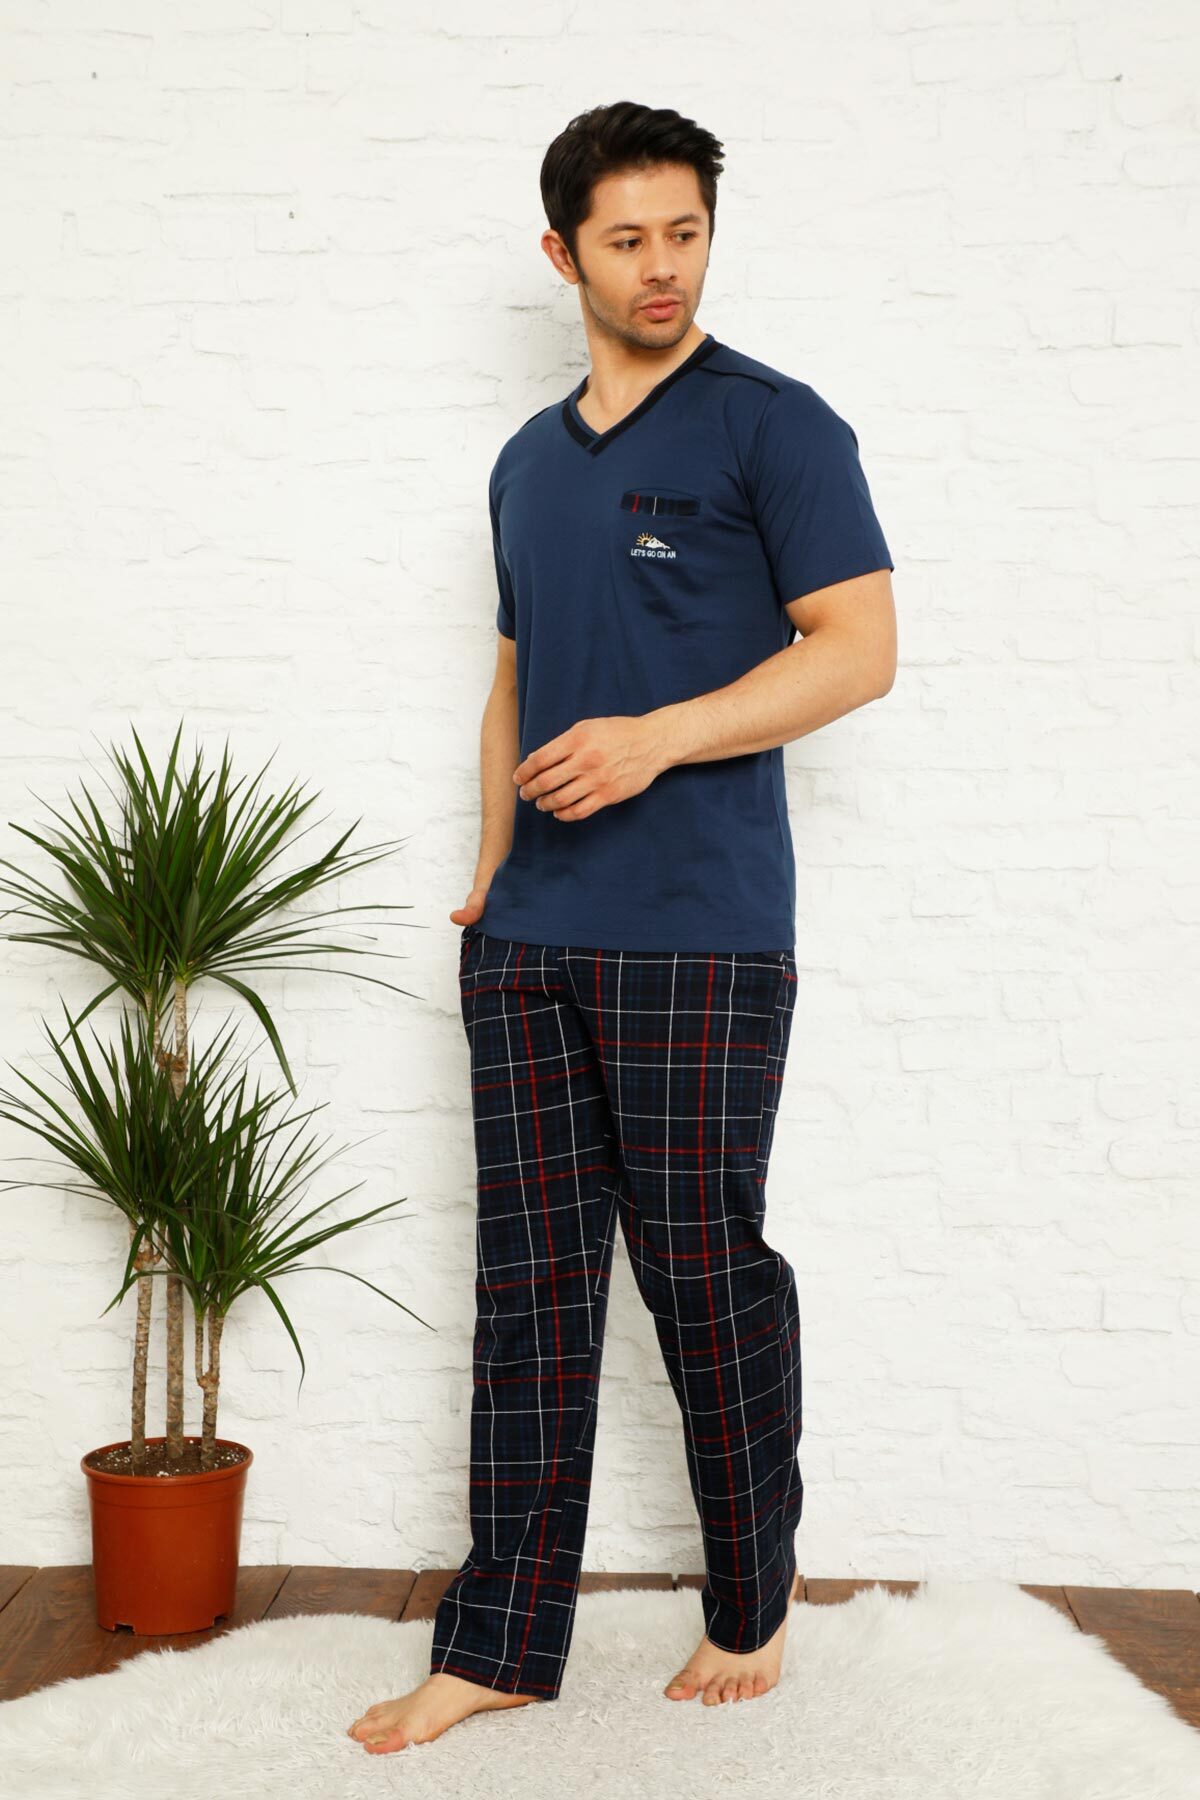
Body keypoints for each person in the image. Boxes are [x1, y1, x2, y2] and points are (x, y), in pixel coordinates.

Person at [349, 98, 896, 1756]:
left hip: (700, 932)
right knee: (529, 1291)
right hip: (528, 937)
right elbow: (517, 678)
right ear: (563, 253)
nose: (663, 268)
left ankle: (753, 1597)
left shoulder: (775, 427)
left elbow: (857, 650)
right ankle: (501, 1643)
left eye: (686, 233)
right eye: (627, 239)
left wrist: (660, 738)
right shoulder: (526, 461)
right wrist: (489, 865)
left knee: (701, 1271)